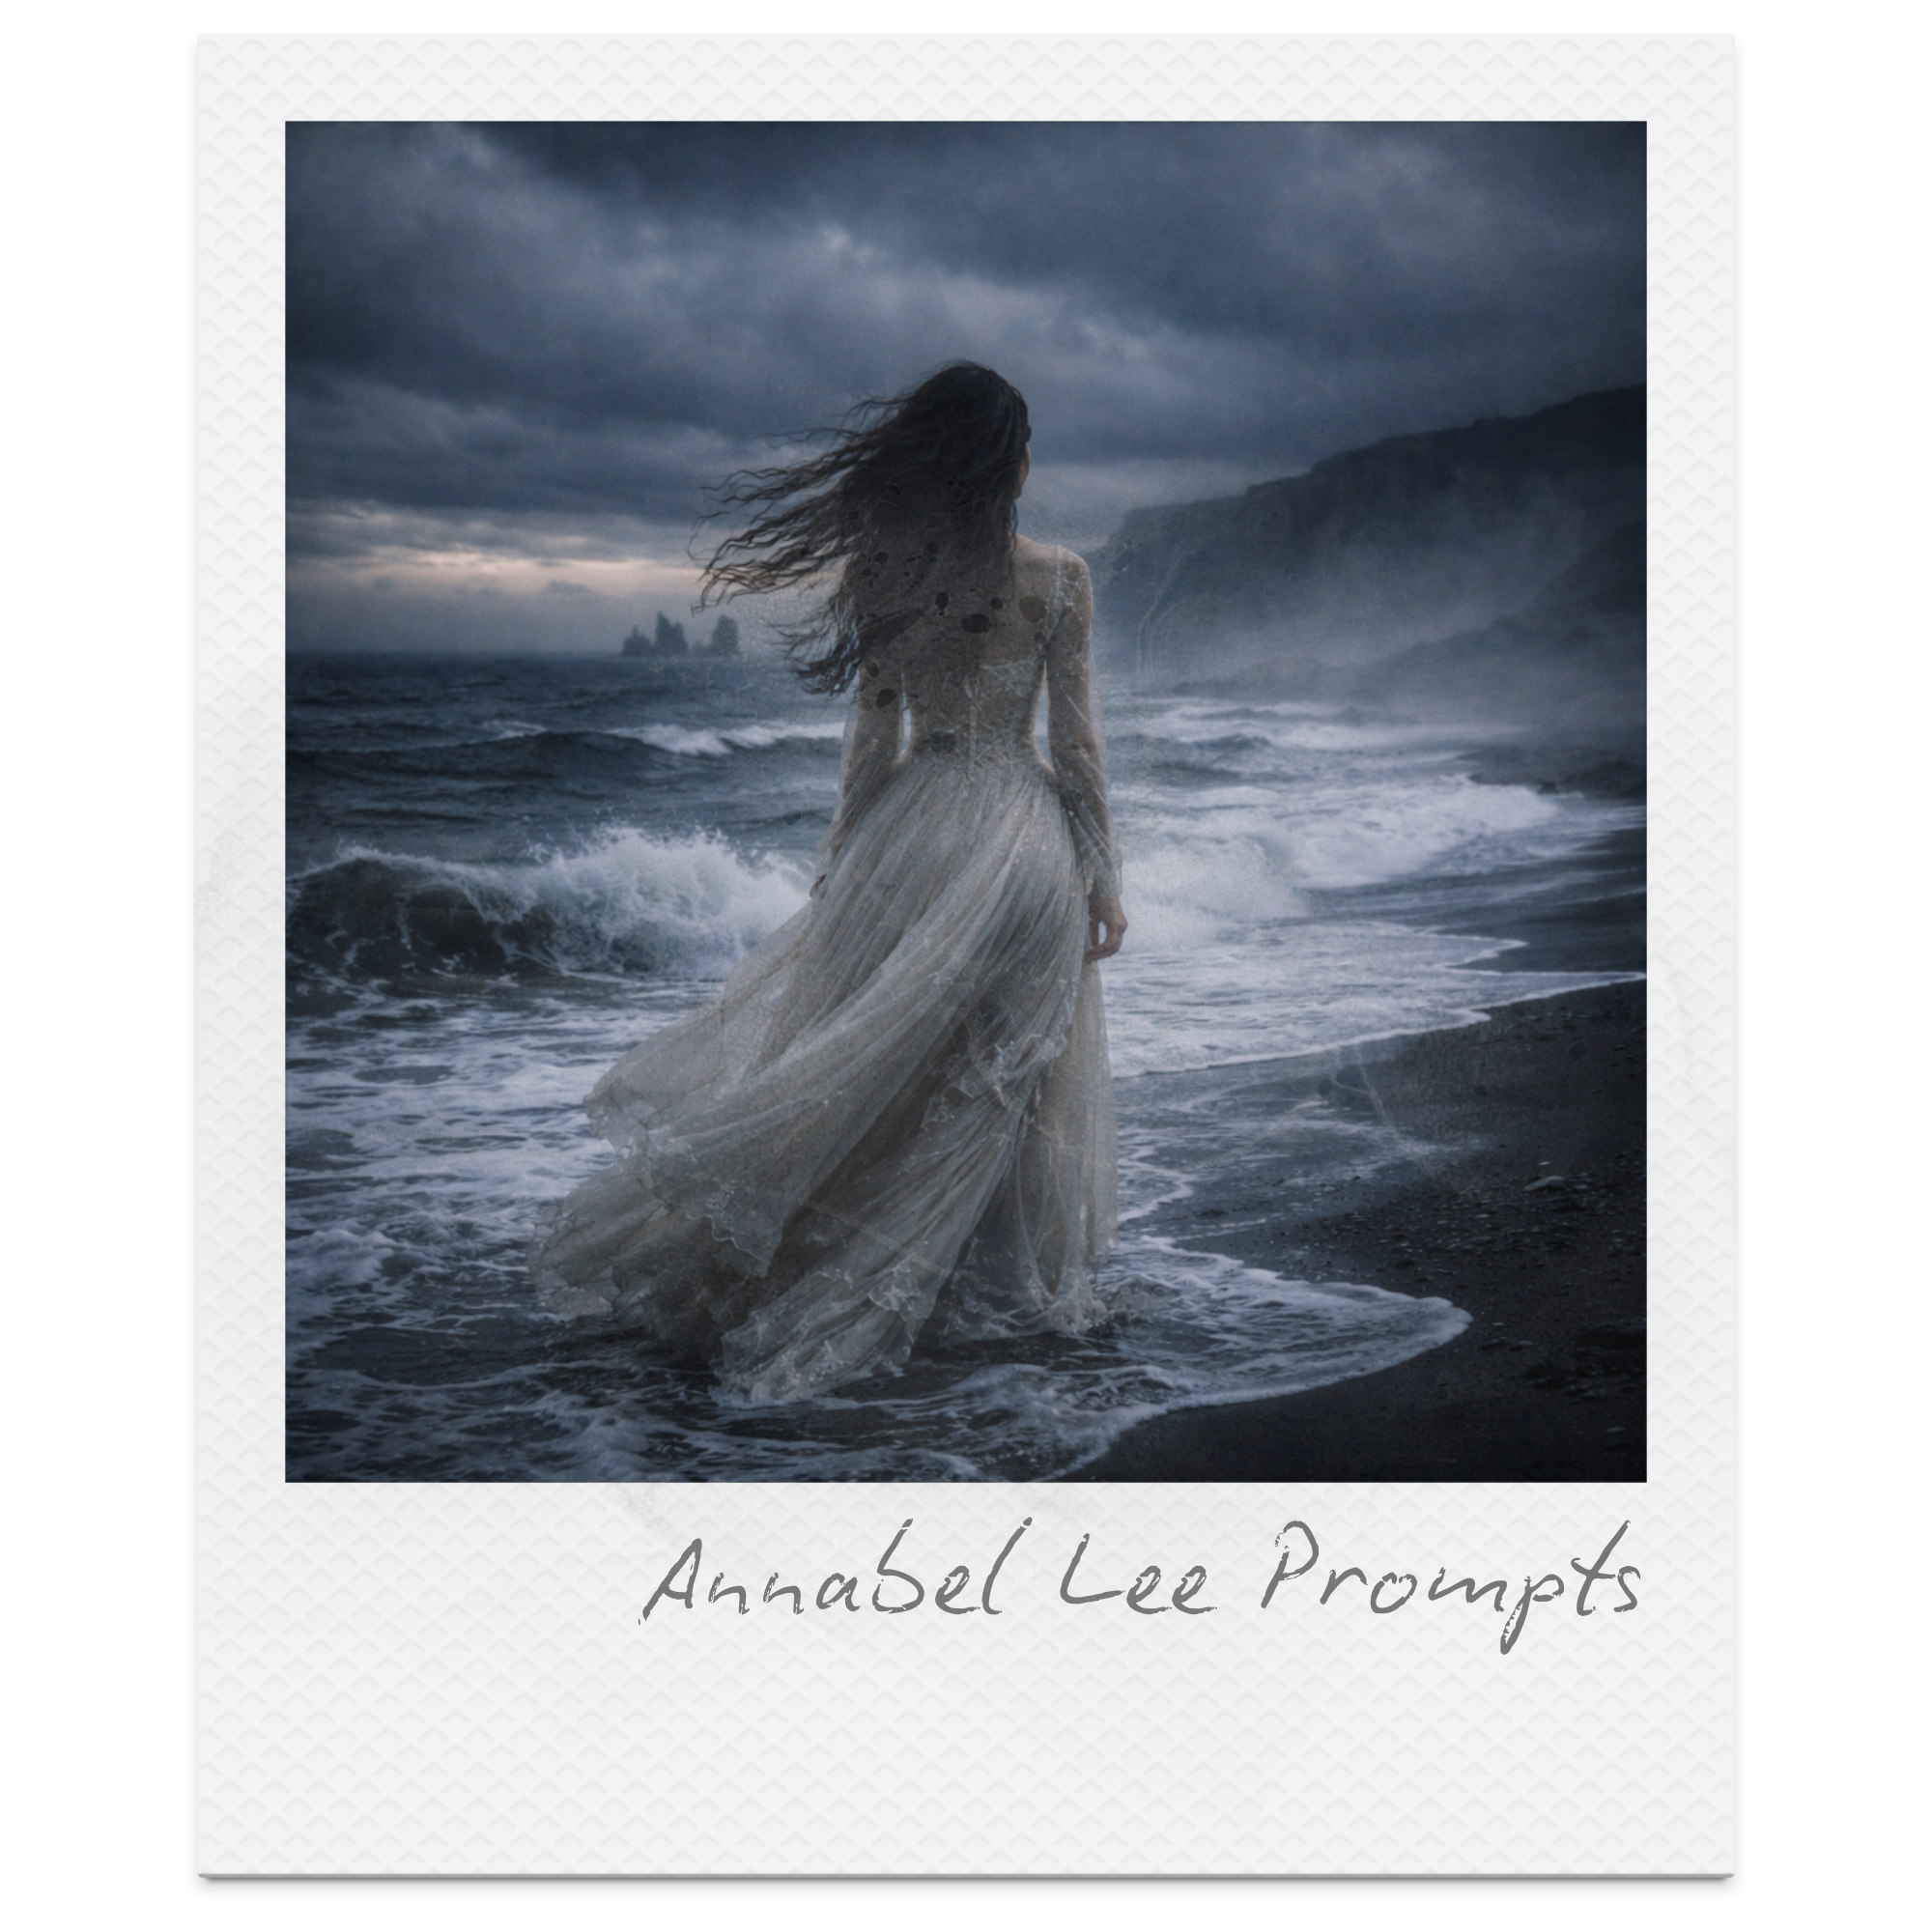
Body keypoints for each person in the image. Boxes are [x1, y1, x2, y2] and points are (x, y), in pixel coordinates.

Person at [529, 362, 1127, 1402]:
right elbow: (1074, 747)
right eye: (1025, 441)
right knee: (994, 1075)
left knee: (878, 1061)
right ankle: (973, 1289)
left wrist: (841, 857)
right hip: (1020, 843)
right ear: (1005, 464)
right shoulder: (1061, 578)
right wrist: (1102, 876)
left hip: (914, 828)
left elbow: (870, 740)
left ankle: (859, 1273)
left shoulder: (886, 571)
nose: (1034, 459)